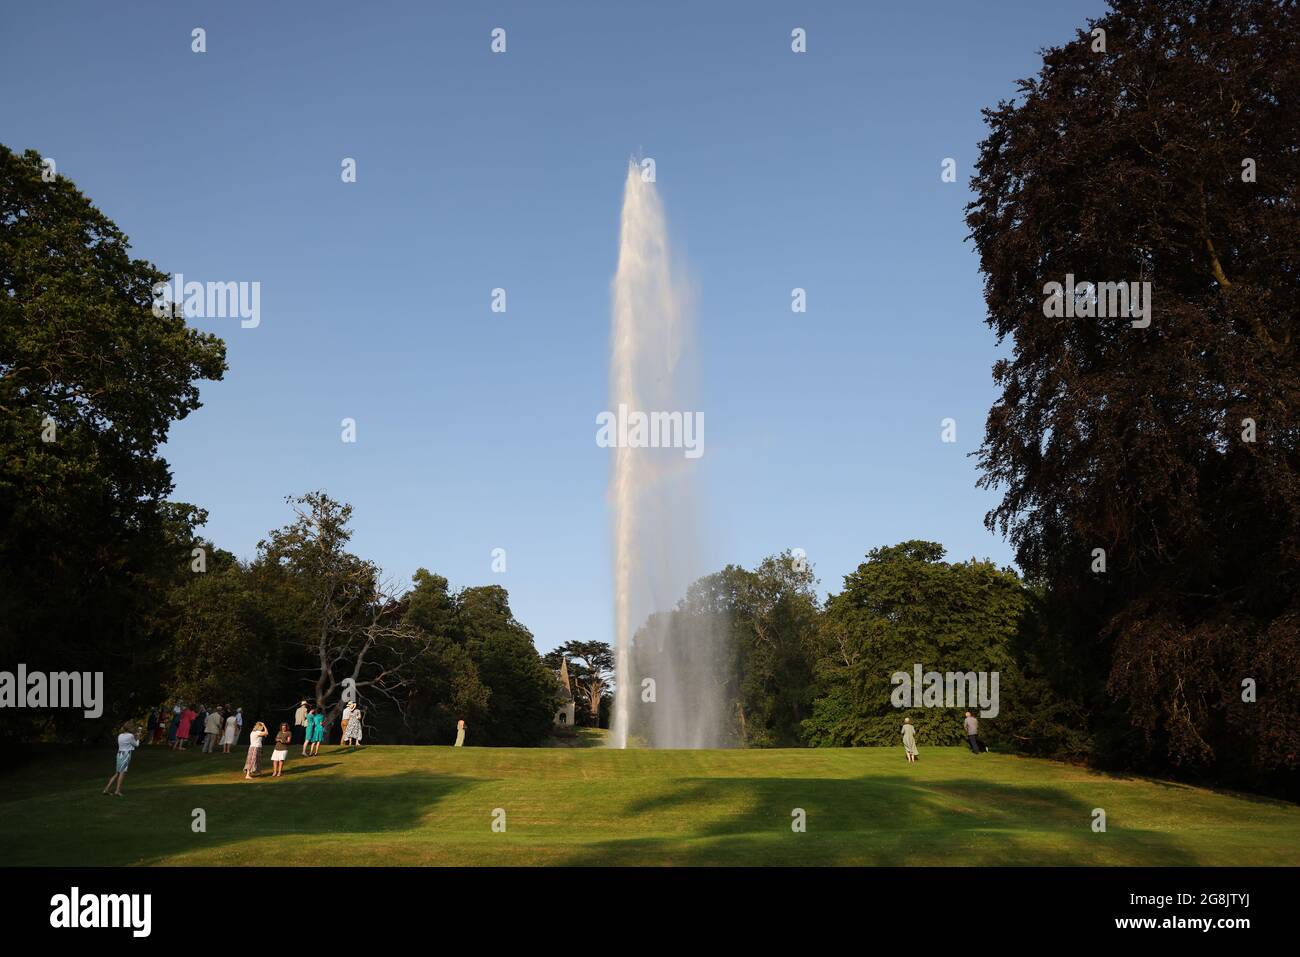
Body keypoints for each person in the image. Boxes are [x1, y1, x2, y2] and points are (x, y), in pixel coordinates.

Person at [103, 723, 141, 796]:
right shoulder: (130, 736)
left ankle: (106, 789)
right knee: (122, 773)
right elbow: (136, 745)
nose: (133, 729)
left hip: (119, 754)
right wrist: (138, 738)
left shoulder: (120, 735)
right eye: (132, 727)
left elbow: (129, 742)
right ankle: (117, 791)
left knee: (117, 773)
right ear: (130, 728)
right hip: (126, 755)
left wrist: (135, 737)